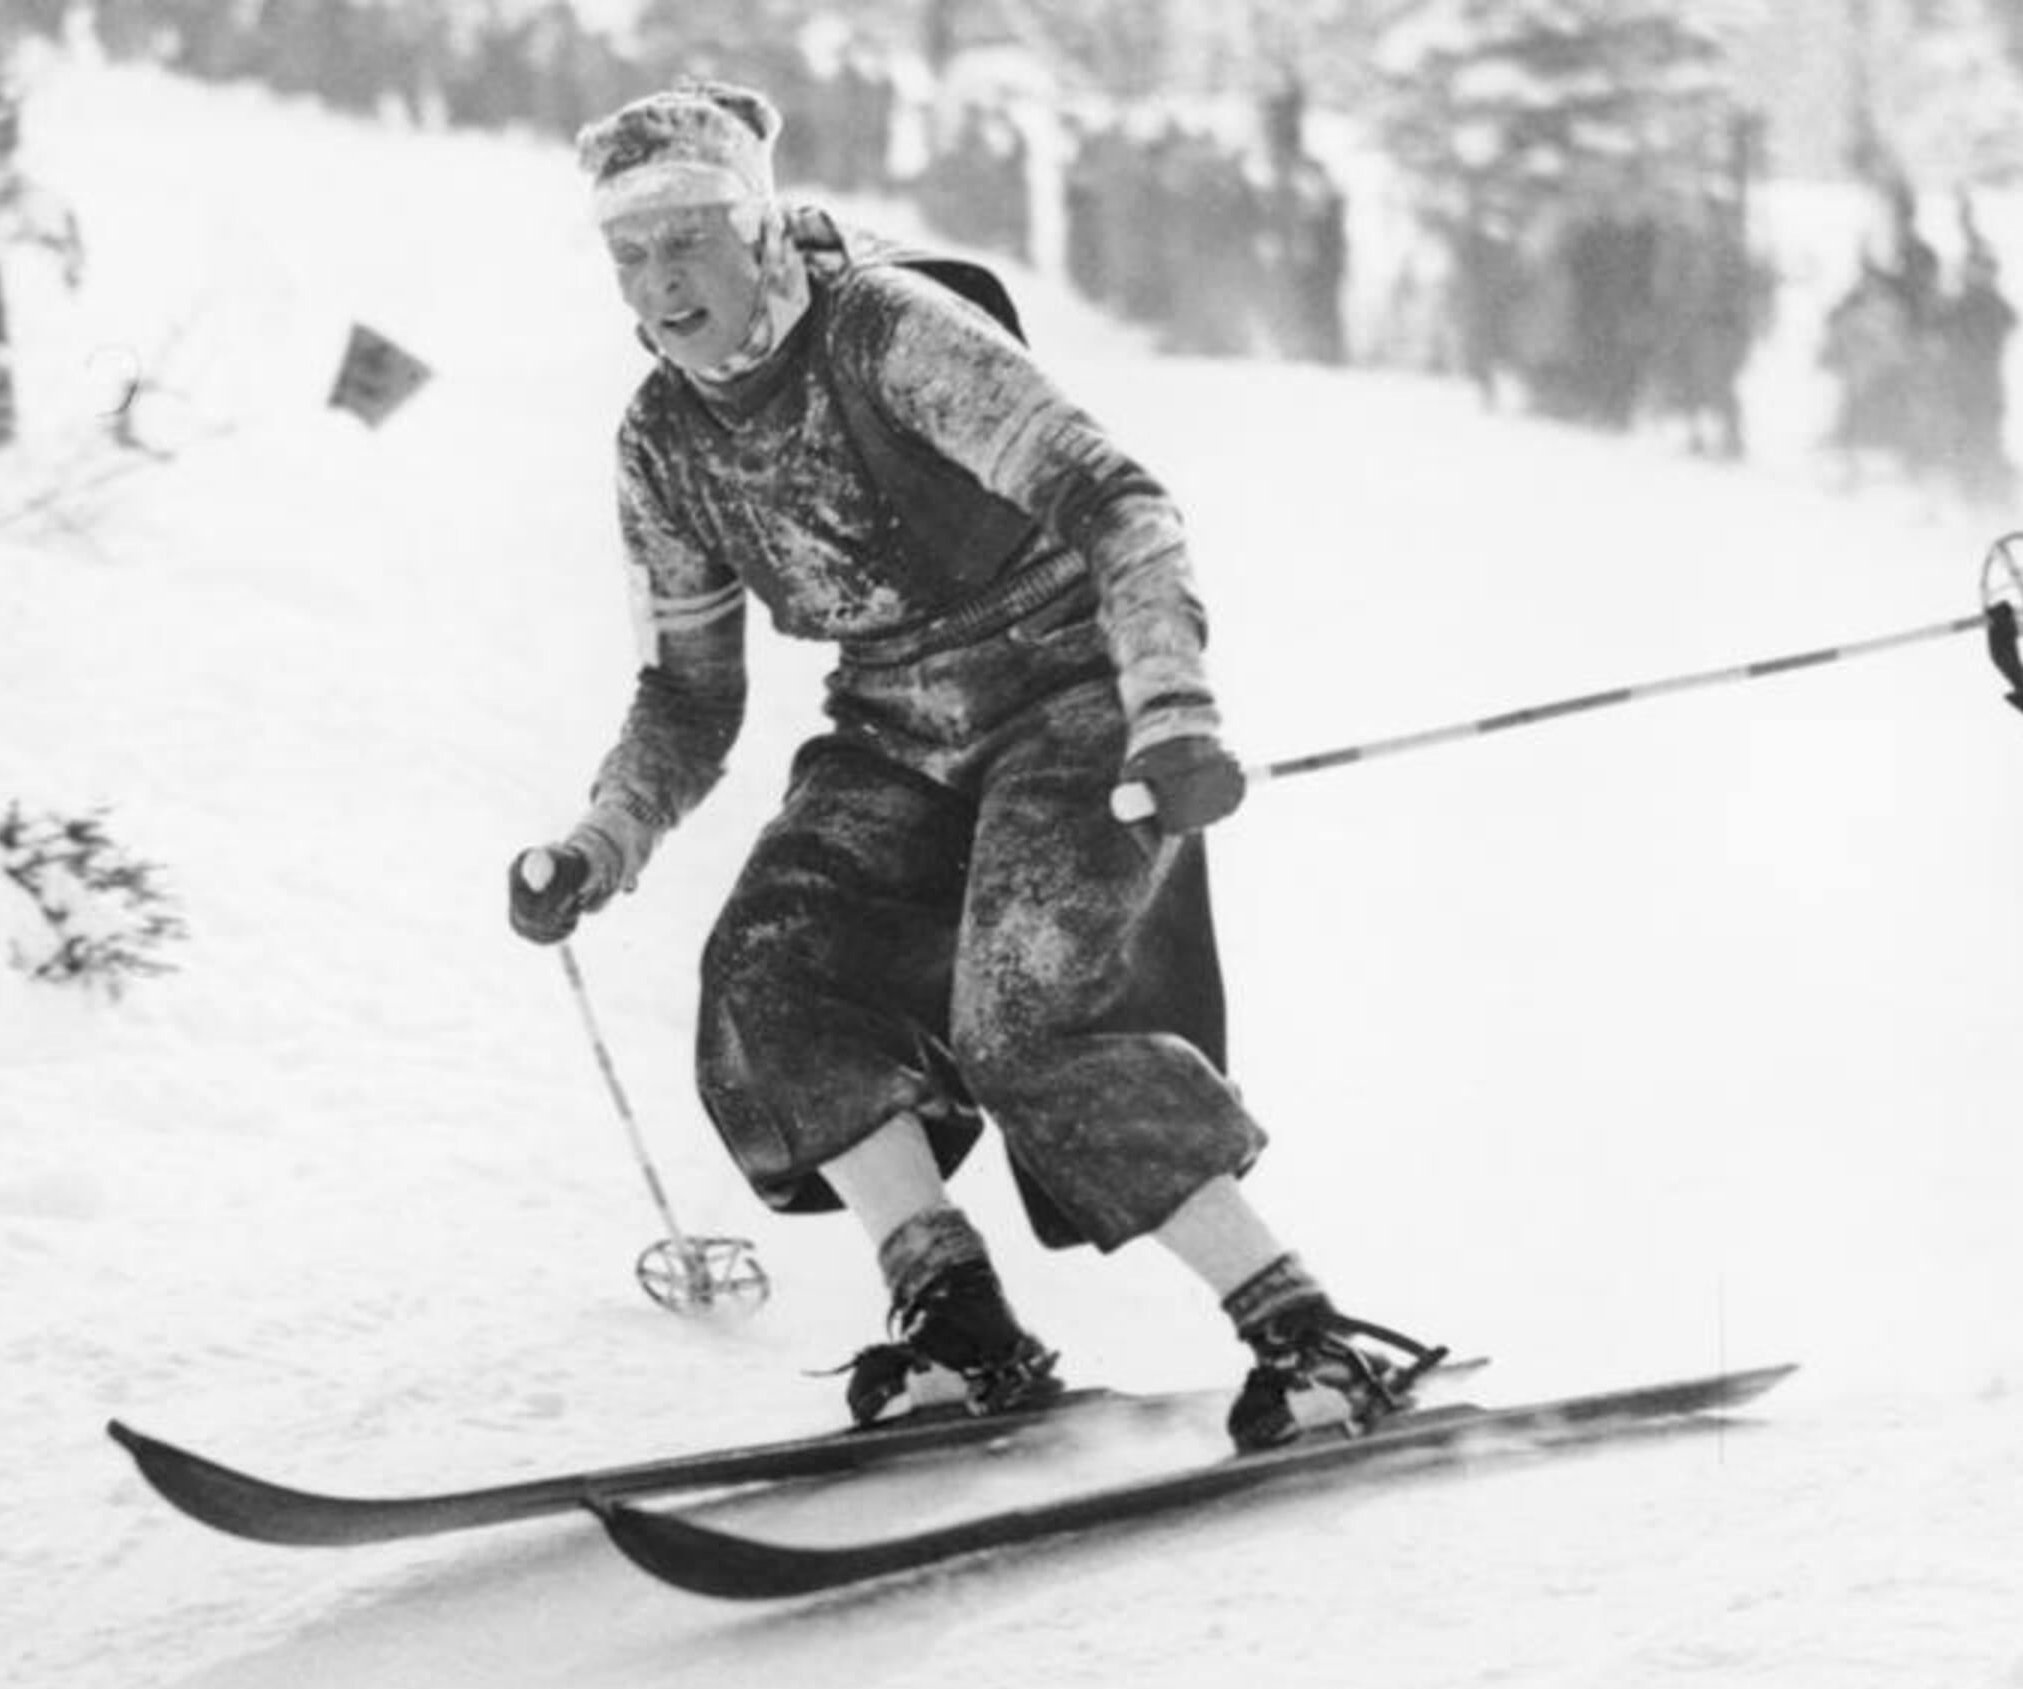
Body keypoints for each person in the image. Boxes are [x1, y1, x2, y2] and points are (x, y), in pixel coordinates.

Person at [507, 79, 1441, 1452]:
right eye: (629, 257)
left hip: (1067, 696)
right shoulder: (660, 442)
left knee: (1024, 1022)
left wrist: (1170, 708)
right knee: (766, 980)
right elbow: (686, 696)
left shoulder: (888, 334)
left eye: (685, 245)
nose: (658, 284)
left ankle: (1305, 1336)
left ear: (757, 231)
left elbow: (1114, 504)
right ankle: (959, 1328)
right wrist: (603, 837)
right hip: (891, 727)